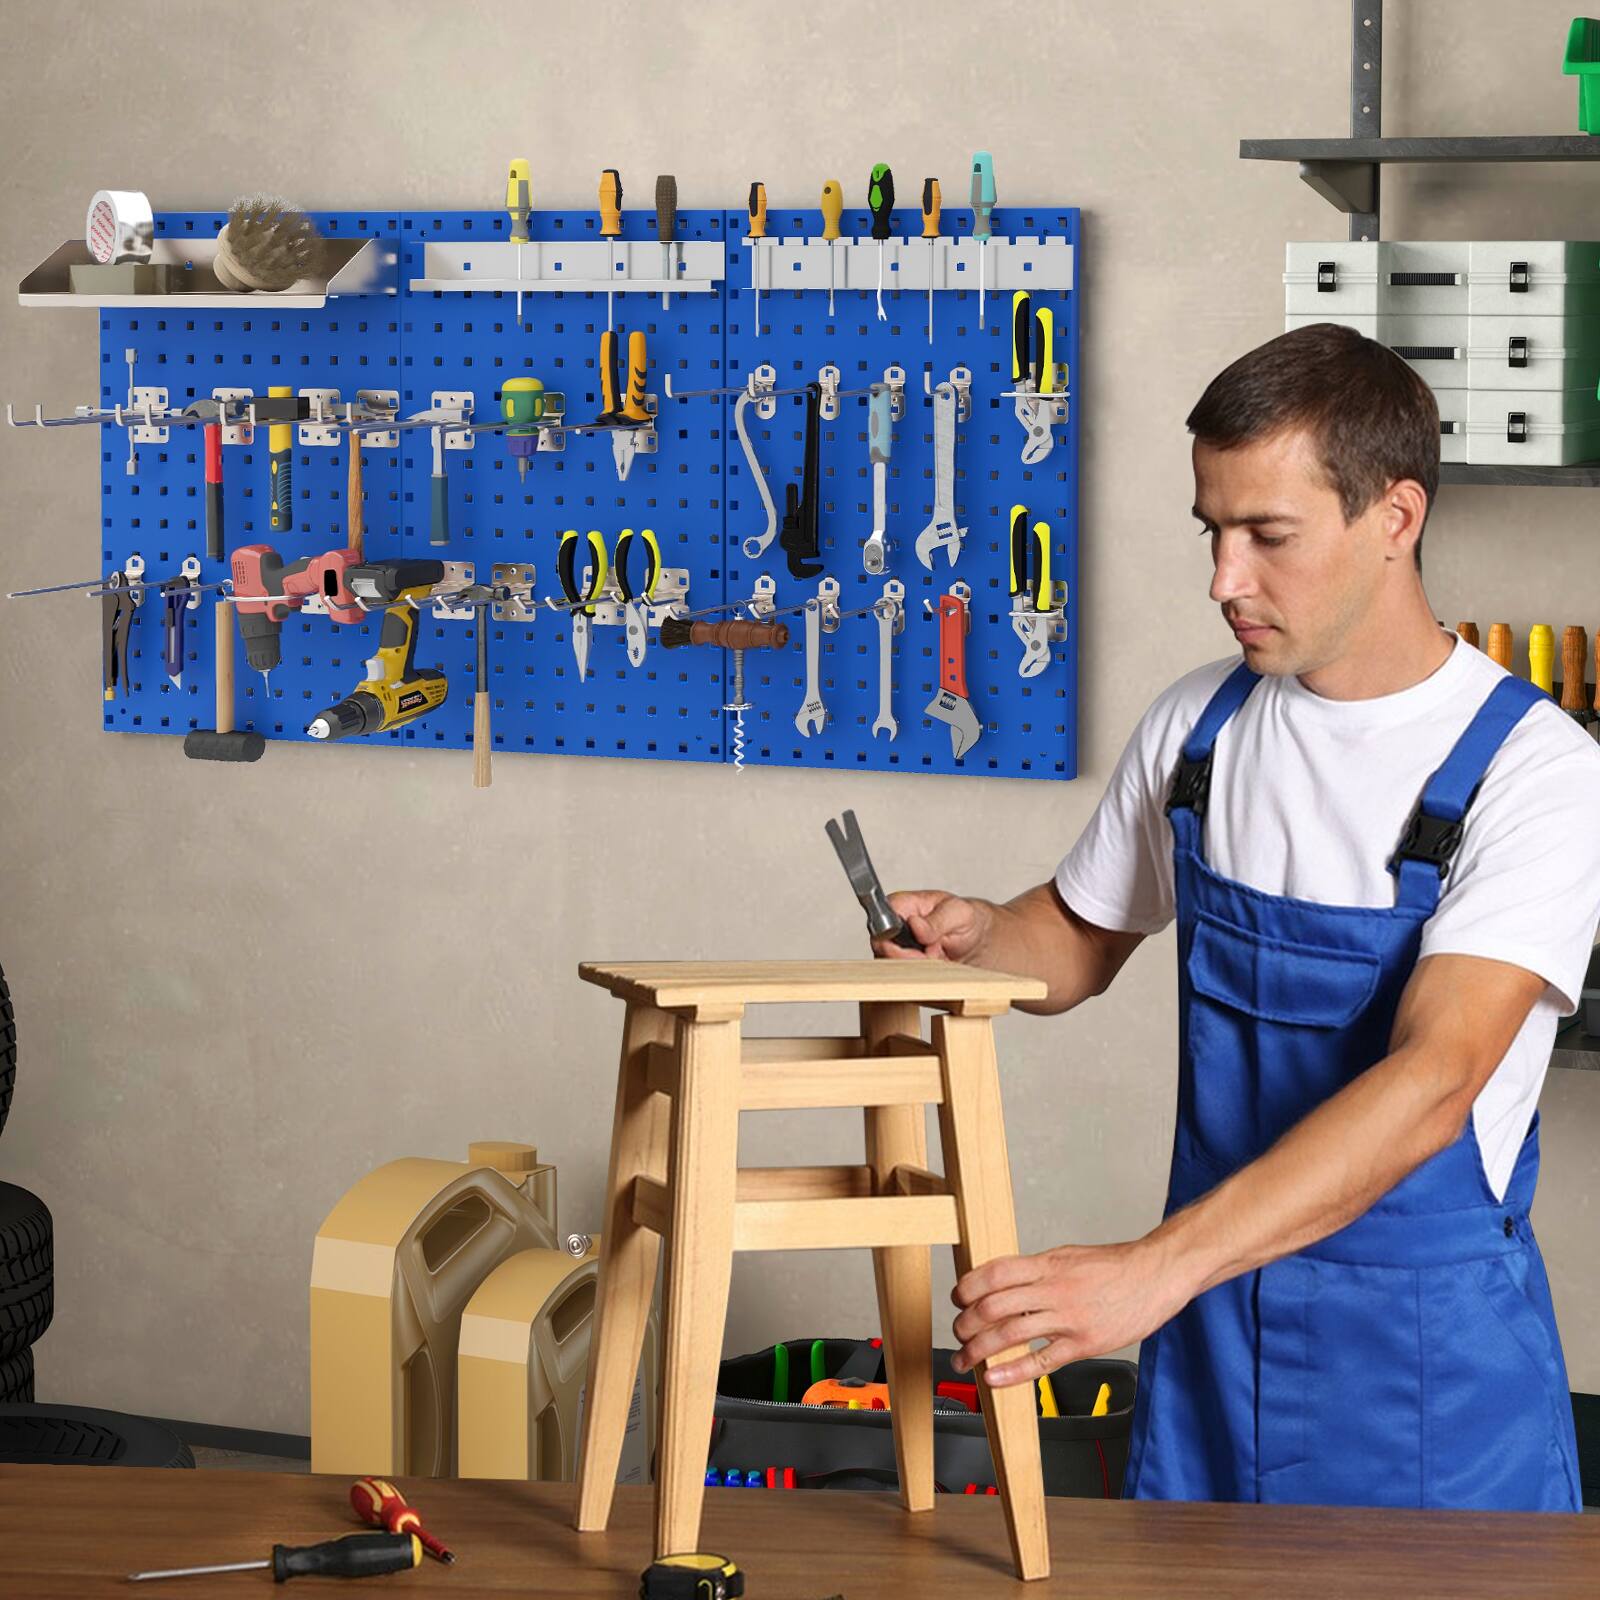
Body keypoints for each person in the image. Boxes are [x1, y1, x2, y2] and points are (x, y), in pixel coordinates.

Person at [878, 322, 1600, 1511]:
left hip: (1422, 1380)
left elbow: (1433, 1078)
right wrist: (976, 939)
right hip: (1212, 1354)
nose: (1225, 579)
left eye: (1268, 535)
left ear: (1394, 517)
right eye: (1213, 532)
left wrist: (1144, 1275)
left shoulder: (1533, 768)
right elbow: (1072, 940)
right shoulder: (1199, 730)